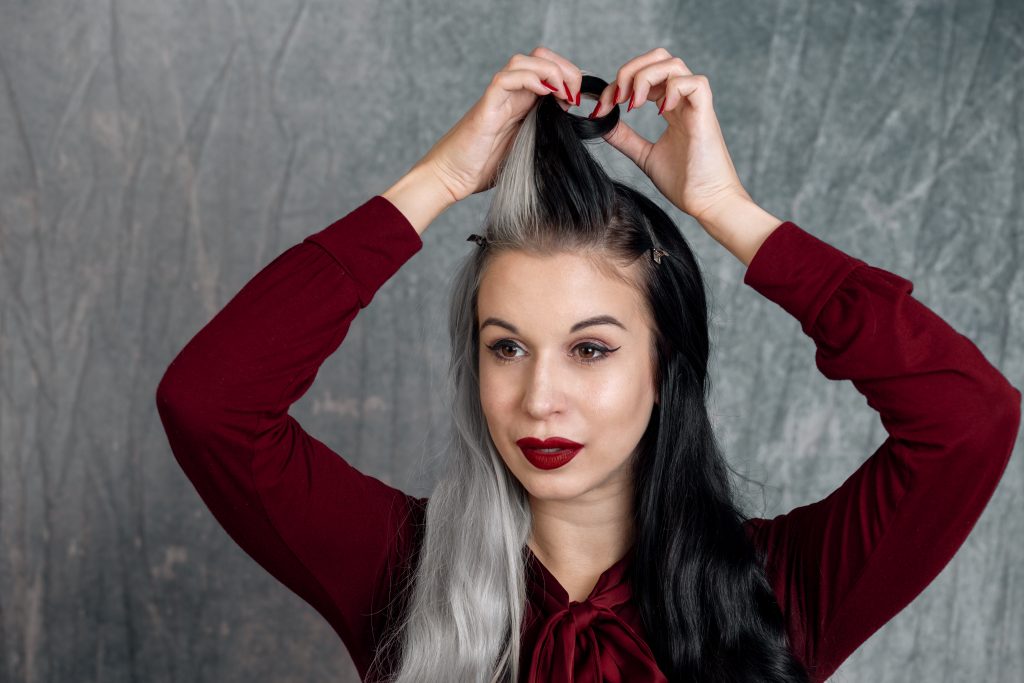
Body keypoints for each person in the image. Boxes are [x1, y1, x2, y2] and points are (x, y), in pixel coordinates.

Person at [155, 46, 1021, 683]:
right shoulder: (400, 573)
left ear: (664, 361)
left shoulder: (782, 589)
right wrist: (440, 177)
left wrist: (727, 211)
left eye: (591, 348)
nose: (538, 398)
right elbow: (210, 402)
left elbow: (968, 418)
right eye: (506, 347)